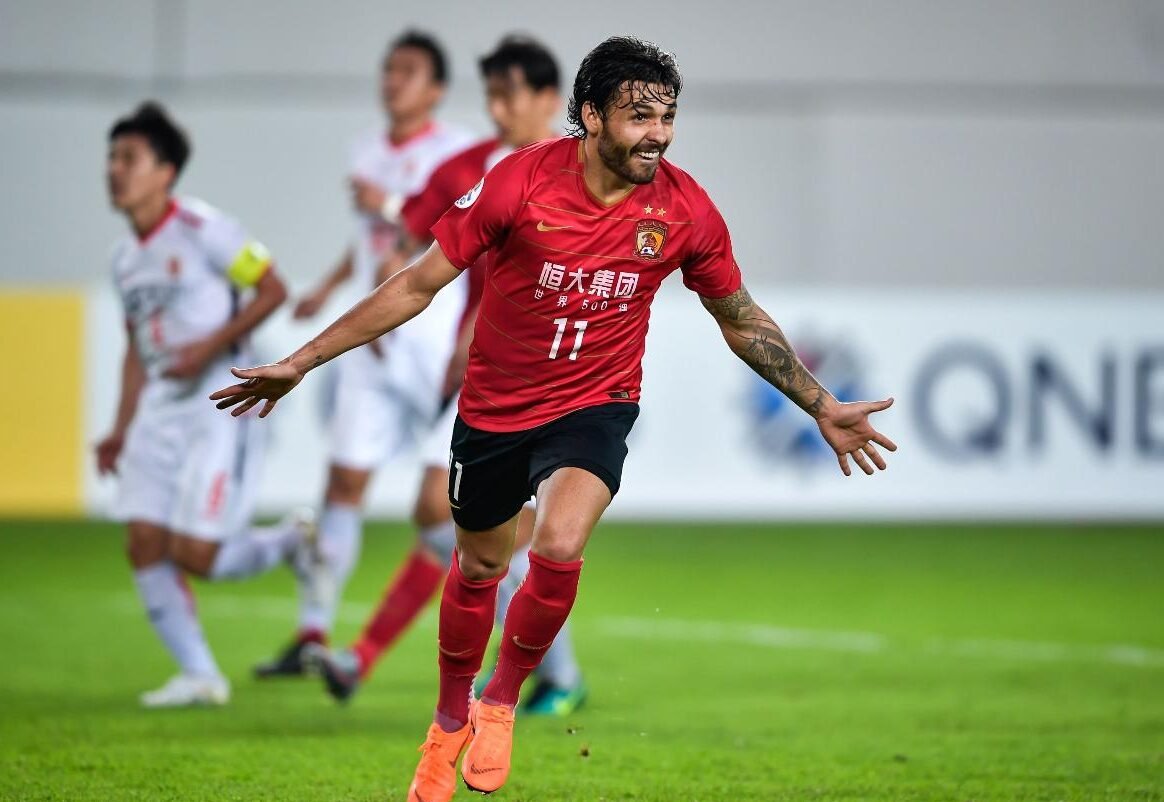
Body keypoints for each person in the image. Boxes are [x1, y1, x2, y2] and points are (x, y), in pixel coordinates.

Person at [210, 36, 897, 801]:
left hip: (595, 406)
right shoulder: (518, 184)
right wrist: (303, 361)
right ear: (591, 115)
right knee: (476, 566)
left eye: (668, 117)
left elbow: (737, 317)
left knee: (561, 542)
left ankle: (499, 700)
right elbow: (414, 286)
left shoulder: (684, 209)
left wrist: (820, 403)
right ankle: (447, 724)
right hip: (495, 410)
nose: (658, 134)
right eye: (640, 116)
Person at [307, 35, 588, 716]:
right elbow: (412, 241)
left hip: (565, 372)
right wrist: (384, 270)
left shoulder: (584, 170)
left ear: (550, 101)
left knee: (504, 528)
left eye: (509, 94)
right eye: (489, 93)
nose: (496, 108)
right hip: (488, 369)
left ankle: (544, 674)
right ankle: (555, 673)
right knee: (462, 522)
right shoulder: (468, 167)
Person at [253, 30, 474, 677]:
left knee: (457, 502)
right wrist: (327, 285)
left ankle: (539, 648)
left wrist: (395, 205)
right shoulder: (366, 148)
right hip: (365, 339)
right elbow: (365, 241)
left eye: (408, 71)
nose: (392, 80)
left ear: (435, 89)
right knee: (344, 483)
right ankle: (313, 632)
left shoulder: (457, 153)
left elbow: (456, 228)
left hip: (428, 334)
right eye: (388, 68)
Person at [98, 101, 322, 707]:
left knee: (196, 555)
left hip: (219, 408)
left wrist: (211, 346)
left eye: (128, 158)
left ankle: (291, 543)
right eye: (112, 158)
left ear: (165, 171)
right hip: (160, 415)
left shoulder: (204, 229)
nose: (114, 170)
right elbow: (133, 350)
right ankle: (200, 676)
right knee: (143, 541)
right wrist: (118, 428)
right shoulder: (124, 260)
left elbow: (272, 286)